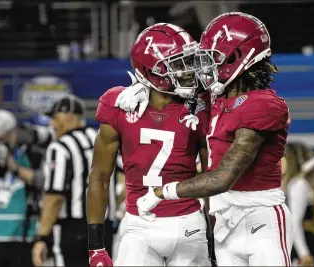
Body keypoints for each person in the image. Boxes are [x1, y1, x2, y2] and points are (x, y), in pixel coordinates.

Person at [118, 12, 293, 266]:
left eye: (213, 58)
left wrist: (162, 192)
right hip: (225, 222)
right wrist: (143, 85)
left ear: (235, 57)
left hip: (261, 221)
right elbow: (172, 86)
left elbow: (222, 178)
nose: (206, 66)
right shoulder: (218, 97)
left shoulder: (264, 104)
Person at [87, 23, 211, 266]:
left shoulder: (202, 104)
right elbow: (99, 176)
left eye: (189, 61)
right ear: (152, 70)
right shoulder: (121, 104)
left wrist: (216, 240)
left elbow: (212, 181)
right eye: (178, 64)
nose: (188, 71)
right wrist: (95, 246)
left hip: (188, 223)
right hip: (139, 226)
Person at [31, 95, 97, 267]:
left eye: (55, 117)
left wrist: (42, 238)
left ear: (69, 116)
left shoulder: (59, 147)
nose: (52, 124)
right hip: (103, 229)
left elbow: (54, 197)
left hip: (72, 229)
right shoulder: (99, 139)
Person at [0, 109, 43, 267]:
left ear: (13, 133)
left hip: (24, 233)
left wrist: (15, 167)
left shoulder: (30, 153)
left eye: (3, 139)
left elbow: (43, 182)